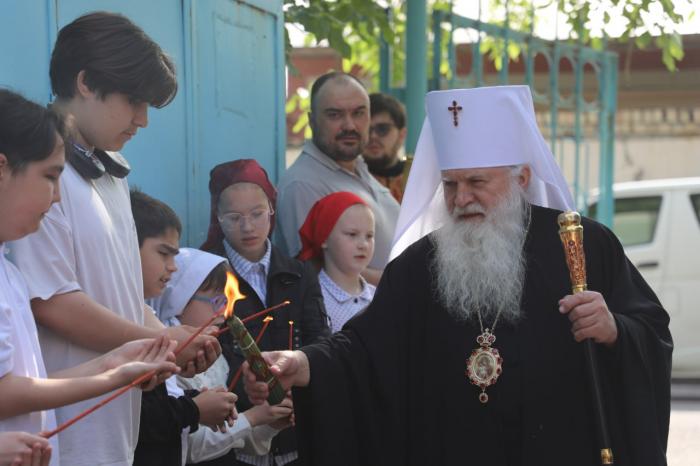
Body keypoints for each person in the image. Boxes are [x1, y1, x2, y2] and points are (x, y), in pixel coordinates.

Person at [244, 86, 672, 466]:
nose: (461, 198)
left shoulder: (581, 244)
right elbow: (365, 350)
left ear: (521, 178)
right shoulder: (419, 265)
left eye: (476, 182)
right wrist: (303, 364)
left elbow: (651, 332)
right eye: (449, 185)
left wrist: (614, 330)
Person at [8, 13, 219, 466]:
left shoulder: (111, 173)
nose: (142, 120)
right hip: (64, 429)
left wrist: (166, 342)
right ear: (85, 83)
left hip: (118, 423)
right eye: (133, 101)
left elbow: (123, 292)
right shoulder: (43, 181)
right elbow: (53, 301)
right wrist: (157, 344)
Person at [0, 89, 179, 466]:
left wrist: (113, 364)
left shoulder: (9, 272)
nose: (57, 197)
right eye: (50, 177)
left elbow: (26, 383)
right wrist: (110, 377)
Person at [201, 159, 330, 465]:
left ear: (272, 209)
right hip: (235, 434)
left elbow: (320, 339)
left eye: (257, 213)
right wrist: (253, 389)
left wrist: (295, 385)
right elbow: (208, 351)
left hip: (295, 426)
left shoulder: (299, 273)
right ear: (217, 217)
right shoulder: (204, 277)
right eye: (234, 217)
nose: (247, 227)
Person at [149, 247, 294, 465]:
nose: (224, 313)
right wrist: (253, 417)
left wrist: (269, 422)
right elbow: (190, 447)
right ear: (180, 300)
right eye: (217, 301)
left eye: (227, 301)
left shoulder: (217, 357)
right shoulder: (167, 360)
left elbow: (232, 436)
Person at [130, 190, 238, 466]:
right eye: (163, 254)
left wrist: (195, 401)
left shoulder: (145, 315)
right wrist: (194, 408)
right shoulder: (120, 322)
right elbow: (140, 418)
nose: (173, 268)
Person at [274, 72, 400, 285]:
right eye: (334, 115)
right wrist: (403, 283)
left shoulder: (358, 168)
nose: (349, 125)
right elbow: (318, 272)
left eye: (358, 113)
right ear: (312, 121)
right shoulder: (302, 184)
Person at [298, 192, 376, 333]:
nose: (363, 244)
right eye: (352, 234)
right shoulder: (311, 300)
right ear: (324, 238)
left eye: (369, 236)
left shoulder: (379, 297)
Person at [363, 93, 410, 203]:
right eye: (366, 129)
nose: (373, 136)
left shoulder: (417, 179)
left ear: (401, 135)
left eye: (382, 129)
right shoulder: (349, 178)